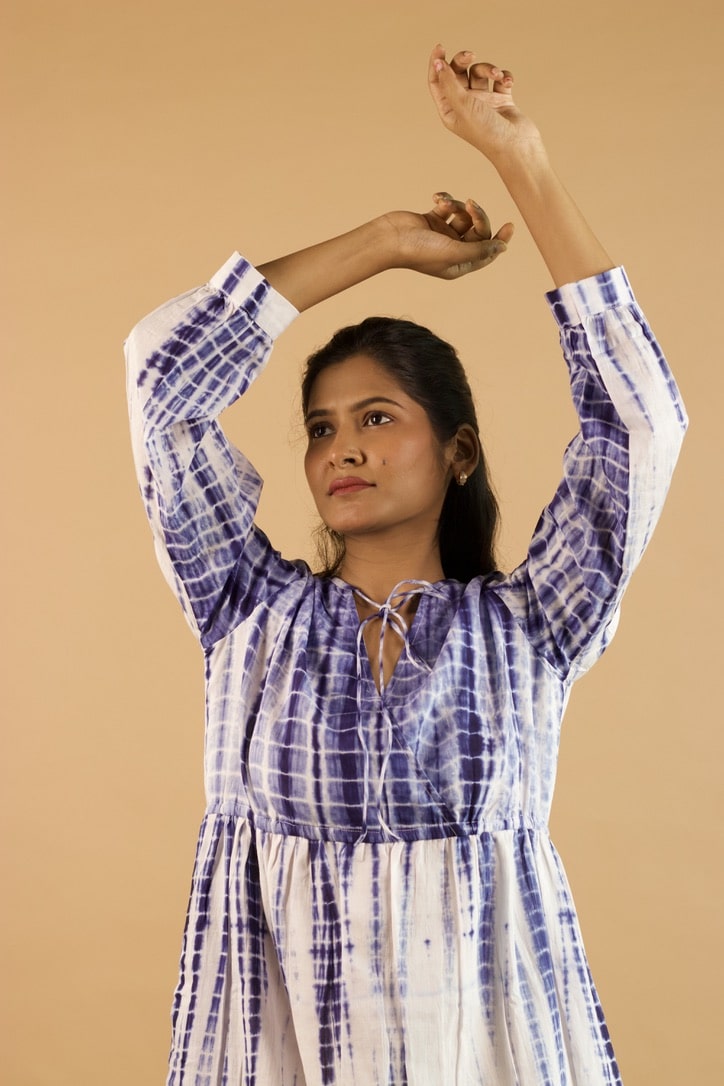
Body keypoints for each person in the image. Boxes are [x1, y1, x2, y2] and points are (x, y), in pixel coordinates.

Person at [125, 44, 687, 1086]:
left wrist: (521, 159)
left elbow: (640, 423)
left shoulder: (531, 628)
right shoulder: (248, 612)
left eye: (378, 417)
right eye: (322, 426)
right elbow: (163, 377)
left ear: (458, 451)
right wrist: (385, 242)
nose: (341, 446)